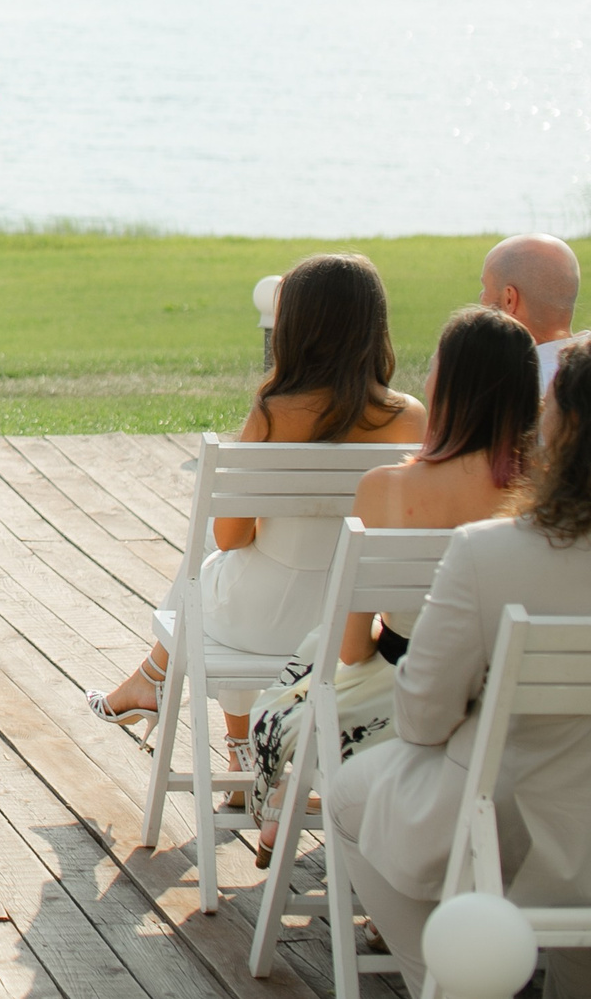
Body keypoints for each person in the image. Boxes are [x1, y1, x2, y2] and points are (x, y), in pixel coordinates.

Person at [86, 254, 427, 800]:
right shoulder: (412, 419)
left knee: (212, 557)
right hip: (344, 625)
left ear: (300, 328)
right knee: (224, 567)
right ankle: (205, 723)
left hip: (259, 622)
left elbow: (230, 536)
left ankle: (187, 704)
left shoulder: (275, 413)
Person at [326, 341, 591, 996]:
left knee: (345, 799)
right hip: (576, 838)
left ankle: (446, 978)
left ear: (565, 427)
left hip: (504, 821)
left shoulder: (491, 553)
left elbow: (419, 718)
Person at [246, 304, 540, 856]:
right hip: (523, 705)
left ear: (449, 386)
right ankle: (308, 803)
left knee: (299, 688)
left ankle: (301, 803)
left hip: (413, 701)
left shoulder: (386, 489)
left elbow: (355, 649)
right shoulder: (549, 501)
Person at [481, 232, 579, 393]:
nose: (481, 298)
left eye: (485, 287)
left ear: (510, 299)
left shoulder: (513, 391)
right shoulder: (581, 370)